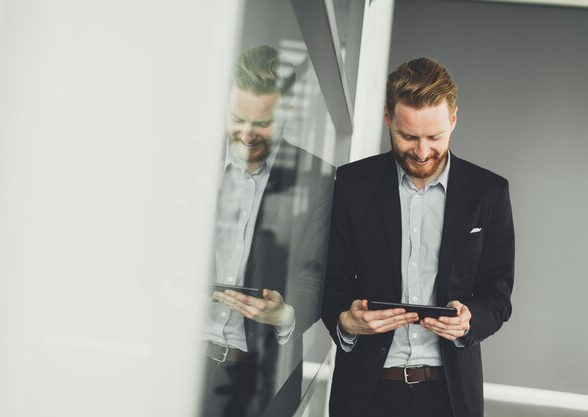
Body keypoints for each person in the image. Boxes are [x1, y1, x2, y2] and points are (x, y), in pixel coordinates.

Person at [321, 57, 515, 417]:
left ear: (453, 119)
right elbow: (332, 283)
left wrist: (469, 319)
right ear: (387, 119)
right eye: (408, 136)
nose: (423, 152)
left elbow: (498, 294)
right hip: (364, 394)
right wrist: (346, 321)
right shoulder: (351, 185)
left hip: (450, 396)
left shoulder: (489, 192)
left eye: (434, 137)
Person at [200, 45, 334, 417]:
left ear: (289, 110)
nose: (245, 134)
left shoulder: (318, 179)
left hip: (261, 380)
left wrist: (285, 313)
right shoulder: (193, 165)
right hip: (181, 365)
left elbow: (314, 272)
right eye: (236, 118)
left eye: (261, 123)